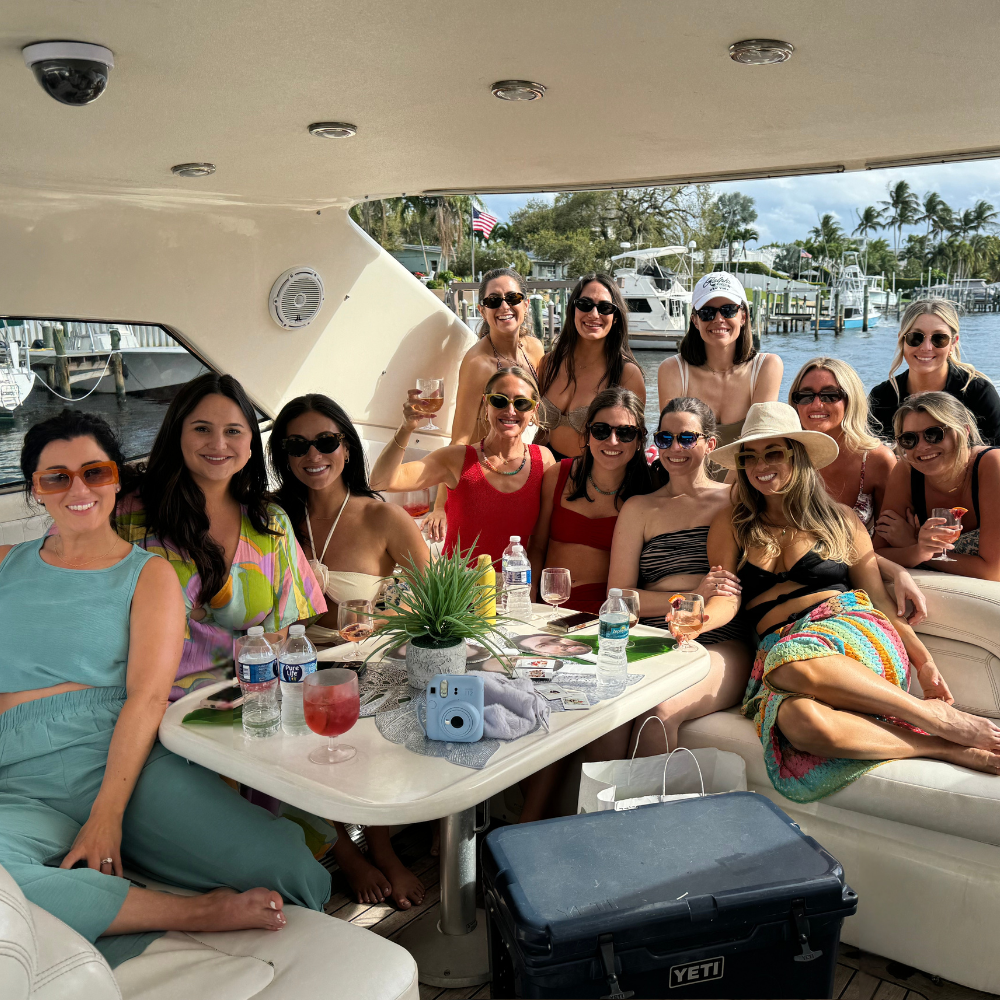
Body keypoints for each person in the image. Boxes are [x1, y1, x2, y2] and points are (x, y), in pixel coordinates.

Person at [0, 410, 330, 969]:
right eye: (56, 477)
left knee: (287, 868)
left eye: (94, 472)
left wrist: (106, 816)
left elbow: (148, 698)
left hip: (118, 754)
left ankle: (108, 879)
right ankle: (191, 912)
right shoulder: (8, 566)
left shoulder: (147, 574)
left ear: (115, 477)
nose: (78, 489)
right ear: (35, 488)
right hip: (19, 777)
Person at [700, 402, 1000, 804]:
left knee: (791, 659)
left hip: (850, 630)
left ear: (798, 456)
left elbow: (877, 598)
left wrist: (924, 663)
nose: (761, 465)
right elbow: (726, 598)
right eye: (749, 456)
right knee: (798, 723)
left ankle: (933, 716)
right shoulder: (731, 523)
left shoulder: (841, 519)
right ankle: (944, 745)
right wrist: (691, 623)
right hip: (778, 652)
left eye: (774, 452)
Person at [268, 392, 429, 910]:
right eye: (297, 446)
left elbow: (437, 597)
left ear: (347, 447)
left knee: (361, 708)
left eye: (326, 441)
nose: (313, 455)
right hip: (291, 662)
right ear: (283, 455)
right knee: (293, 713)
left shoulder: (381, 517)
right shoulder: (272, 517)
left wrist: (378, 617)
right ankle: (349, 852)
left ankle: (380, 845)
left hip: (365, 661)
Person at [117, 373, 326, 701]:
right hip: (148, 706)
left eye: (233, 431)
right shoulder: (128, 514)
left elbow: (279, 637)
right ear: (177, 434)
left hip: (246, 705)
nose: (218, 444)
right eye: (201, 429)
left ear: (250, 443)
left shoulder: (271, 524)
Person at [605, 397, 752, 754]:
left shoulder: (735, 501)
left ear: (710, 444)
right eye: (665, 438)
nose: (674, 448)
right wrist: (687, 596)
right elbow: (617, 597)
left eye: (687, 439)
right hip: (649, 633)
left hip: (720, 637)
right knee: (604, 714)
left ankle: (654, 811)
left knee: (657, 712)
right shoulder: (640, 507)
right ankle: (599, 809)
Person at [370, 366, 556, 566]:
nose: (510, 411)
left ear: (534, 409)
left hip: (517, 589)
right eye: (499, 400)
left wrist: (530, 591)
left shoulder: (543, 461)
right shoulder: (457, 458)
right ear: (486, 404)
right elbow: (380, 481)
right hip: (460, 592)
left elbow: (540, 544)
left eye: (521, 403)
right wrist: (406, 428)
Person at [790, 358, 928, 623]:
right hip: (795, 582)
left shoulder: (876, 461)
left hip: (856, 579)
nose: (816, 404)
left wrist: (898, 567)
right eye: (805, 396)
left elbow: (887, 539)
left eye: (830, 395)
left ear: (850, 399)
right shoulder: (783, 455)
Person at [422, 267, 544, 542]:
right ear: (482, 309)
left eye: (512, 298)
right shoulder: (478, 363)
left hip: (520, 464)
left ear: (525, 303)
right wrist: (440, 505)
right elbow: (461, 435)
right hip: (483, 473)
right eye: (493, 301)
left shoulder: (534, 348)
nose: (504, 306)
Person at [527, 387, 653, 614]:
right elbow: (537, 546)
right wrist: (530, 596)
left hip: (608, 612)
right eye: (601, 430)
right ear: (587, 434)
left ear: (639, 439)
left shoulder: (649, 490)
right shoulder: (558, 475)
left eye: (625, 433)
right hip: (550, 604)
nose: (612, 441)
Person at [875, 392, 1000, 581]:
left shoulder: (992, 465)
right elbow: (876, 554)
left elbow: (993, 571)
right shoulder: (907, 471)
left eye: (933, 434)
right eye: (909, 439)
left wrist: (916, 546)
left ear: (964, 431)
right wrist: (917, 551)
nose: (922, 447)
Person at [656, 271, 782, 458]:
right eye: (707, 312)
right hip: (687, 480)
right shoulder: (672, 370)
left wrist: (726, 488)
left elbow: (758, 443)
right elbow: (673, 446)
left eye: (728, 310)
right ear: (695, 321)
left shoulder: (767, 366)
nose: (718, 319)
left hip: (746, 480)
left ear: (743, 316)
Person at [535, 273, 646, 462]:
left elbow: (633, 445)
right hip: (546, 473)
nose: (594, 314)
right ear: (573, 310)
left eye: (605, 308)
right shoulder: (549, 363)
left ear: (616, 317)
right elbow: (539, 432)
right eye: (585, 305)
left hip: (593, 480)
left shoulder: (626, 374)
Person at [868, 298, 1000, 445]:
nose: (926, 347)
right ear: (902, 340)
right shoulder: (880, 398)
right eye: (915, 337)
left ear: (953, 343)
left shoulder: (979, 394)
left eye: (939, 338)